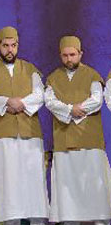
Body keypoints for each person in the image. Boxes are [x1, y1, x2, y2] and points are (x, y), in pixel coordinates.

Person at [0, 26, 48, 225]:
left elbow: (39, 94)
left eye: (13, 46)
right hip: (2, 135)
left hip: (30, 133)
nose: (10, 50)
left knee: (33, 179)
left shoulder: (30, 69)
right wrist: (8, 102)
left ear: (18, 46)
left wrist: (21, 103)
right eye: (6, 46)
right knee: (7, 181)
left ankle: (37, 220)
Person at [47, 36, 111, 225]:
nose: (69, 59)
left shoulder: (92, 75)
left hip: (89, 138)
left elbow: (97, 99)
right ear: (60, 55)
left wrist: (76, 110)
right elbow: (50, 101)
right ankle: (70, 220)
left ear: (80, 54)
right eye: (65, 55)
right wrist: (69, 110)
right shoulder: (52, 78)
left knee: (93, 182)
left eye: (73, 55)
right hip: (64, 138)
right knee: (68, 187)